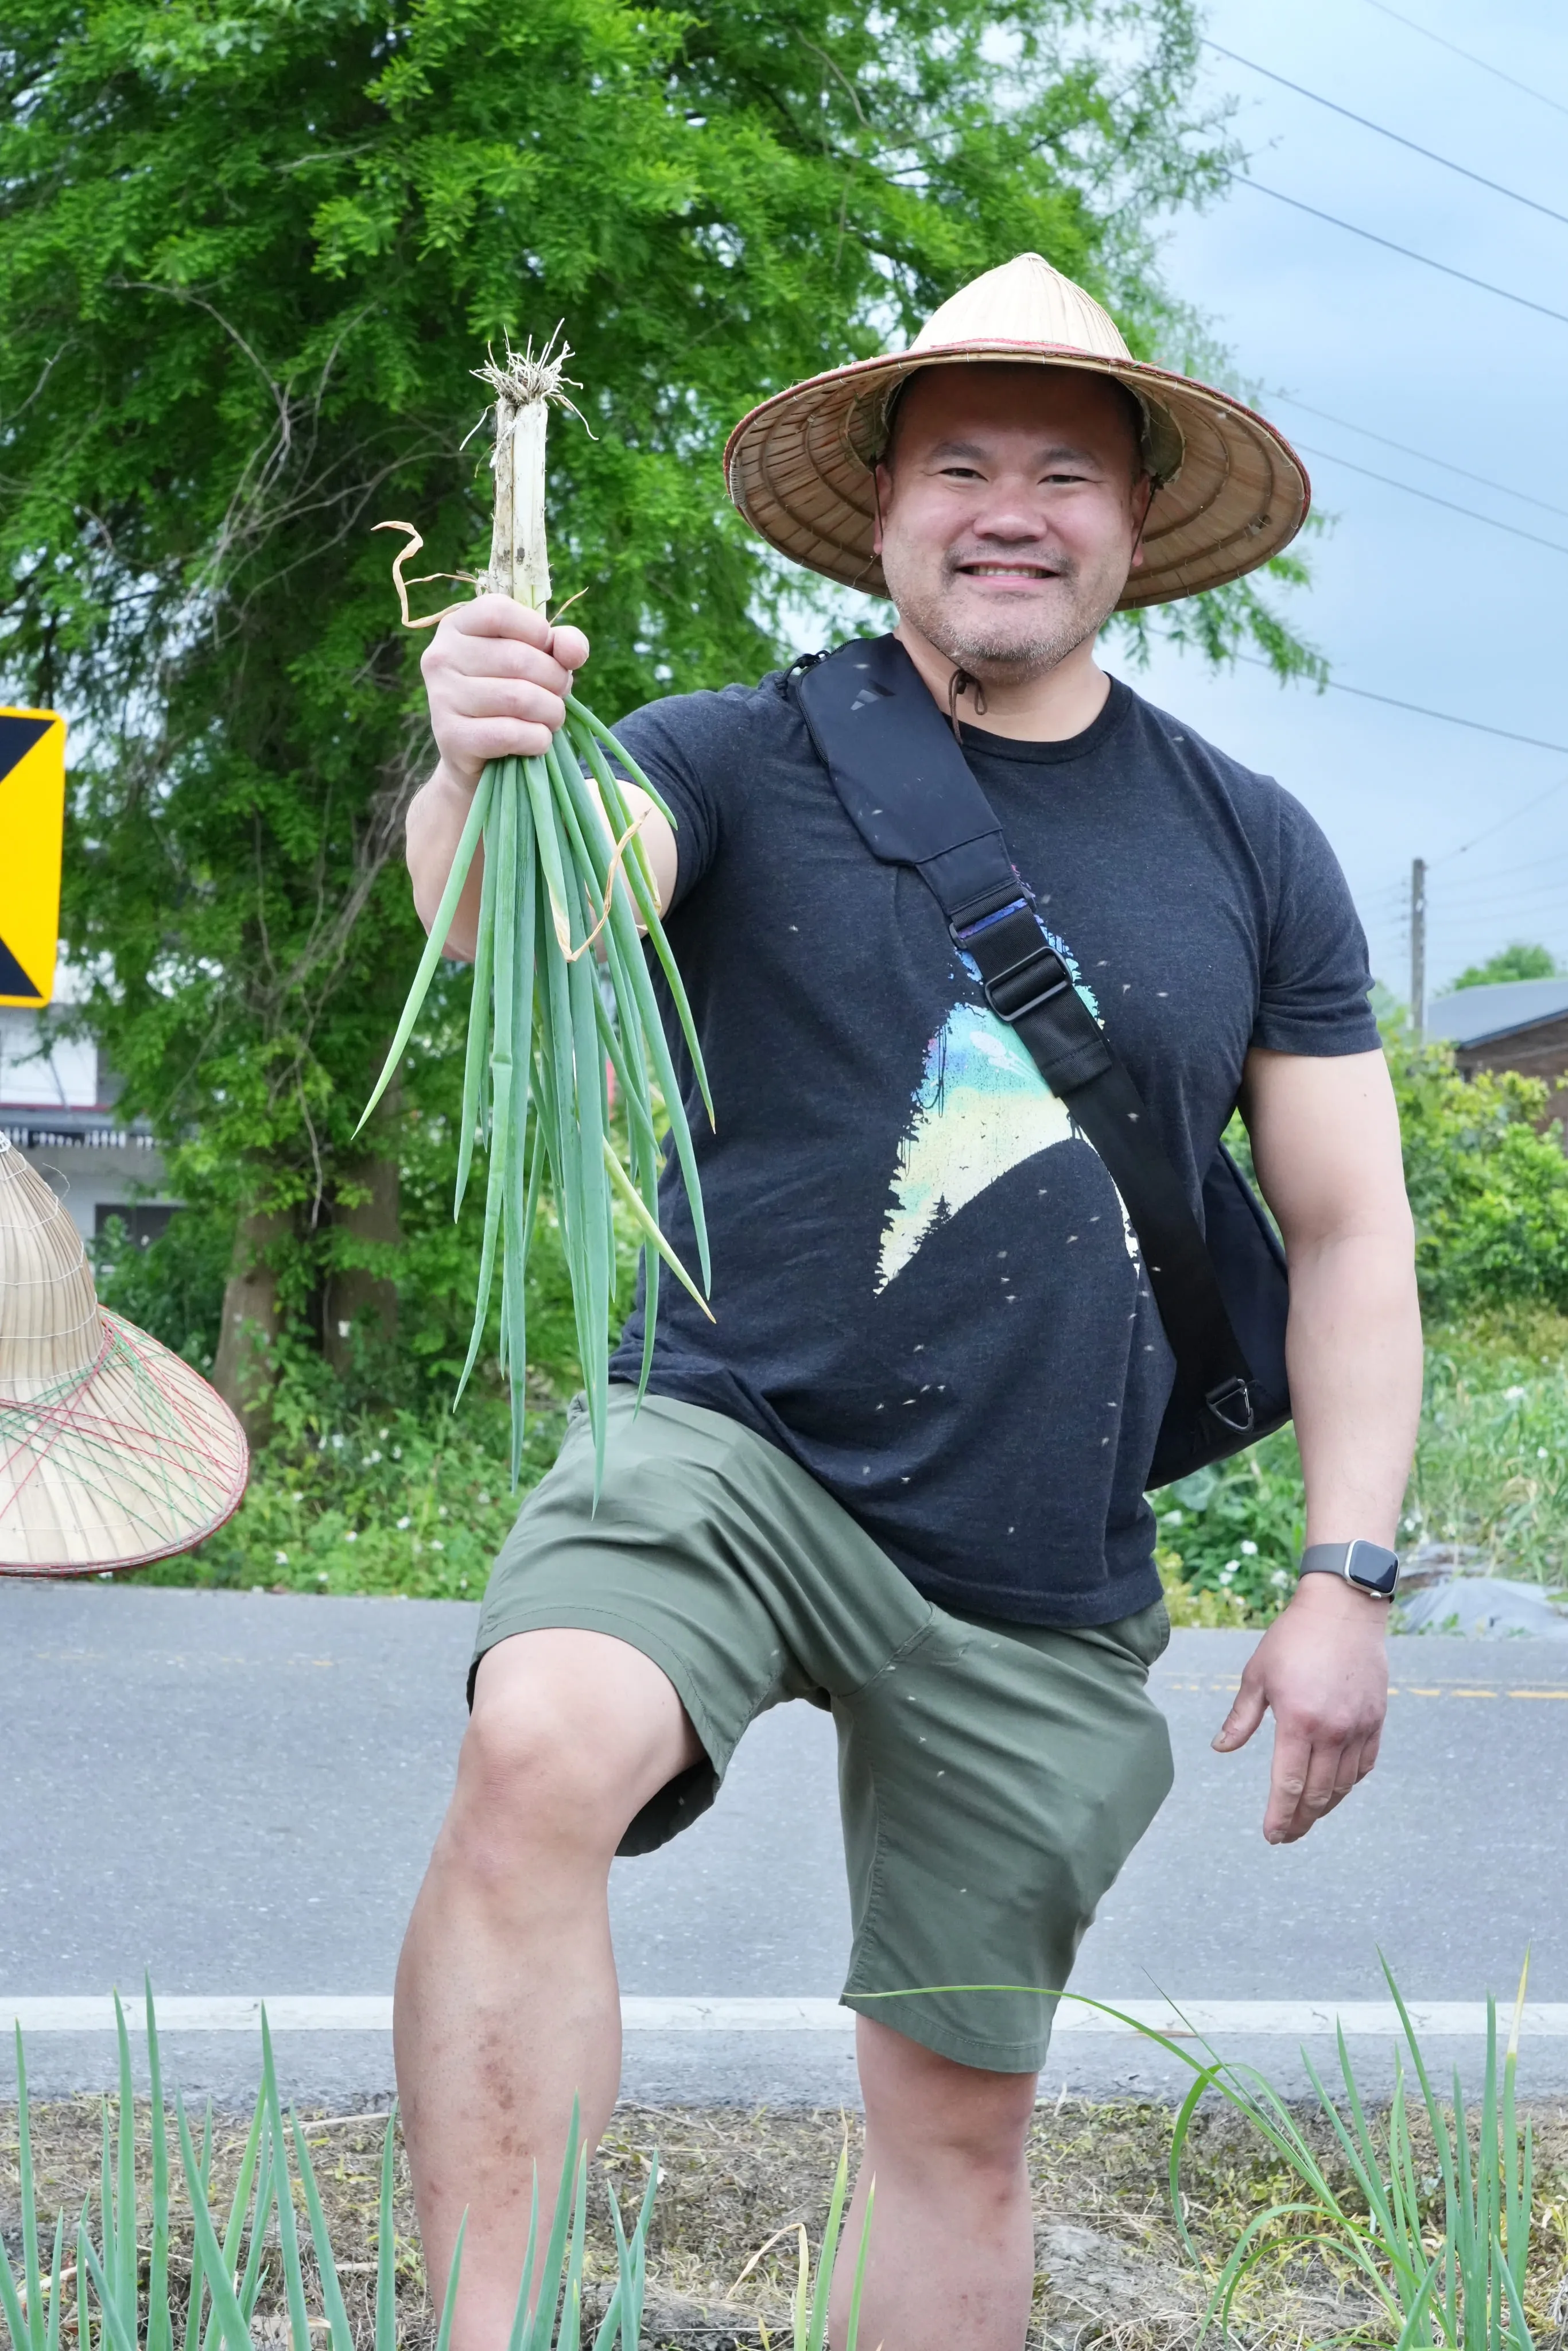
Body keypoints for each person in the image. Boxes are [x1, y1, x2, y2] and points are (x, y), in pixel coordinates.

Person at [394, 253, 1421, 2351]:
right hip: (730, 1440)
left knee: (957, 2125)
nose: (1007, 511)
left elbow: (1347, 1233)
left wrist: (1346, 1579)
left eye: (1064, 472)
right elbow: (516, 908)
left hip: (1038, 1543)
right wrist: (478, 759)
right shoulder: (727, 755)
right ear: (881, 507)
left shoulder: (1252, 844)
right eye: (958, 465)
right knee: (541, 1744)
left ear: (1135, 524)